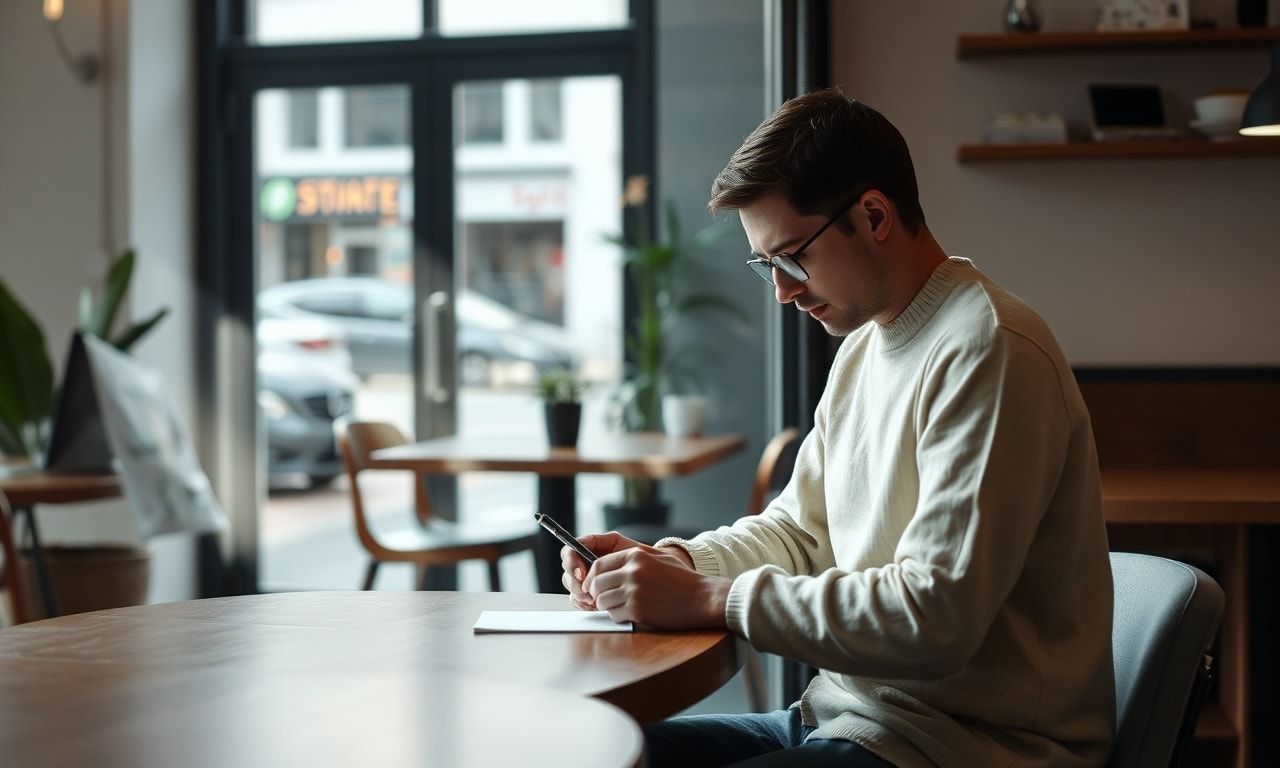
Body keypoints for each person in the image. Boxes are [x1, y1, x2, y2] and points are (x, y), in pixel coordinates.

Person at [561, 89, 1114, 767]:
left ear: (874, 214)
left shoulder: (989, 347)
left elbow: (935, 618)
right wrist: (674, 566)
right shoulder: (865, 347)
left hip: (967, 748)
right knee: (583, 751)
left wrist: (710, 596)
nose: (783, 291)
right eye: (767, 264)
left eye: (792, 257)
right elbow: (801, 532)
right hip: (848, 722)